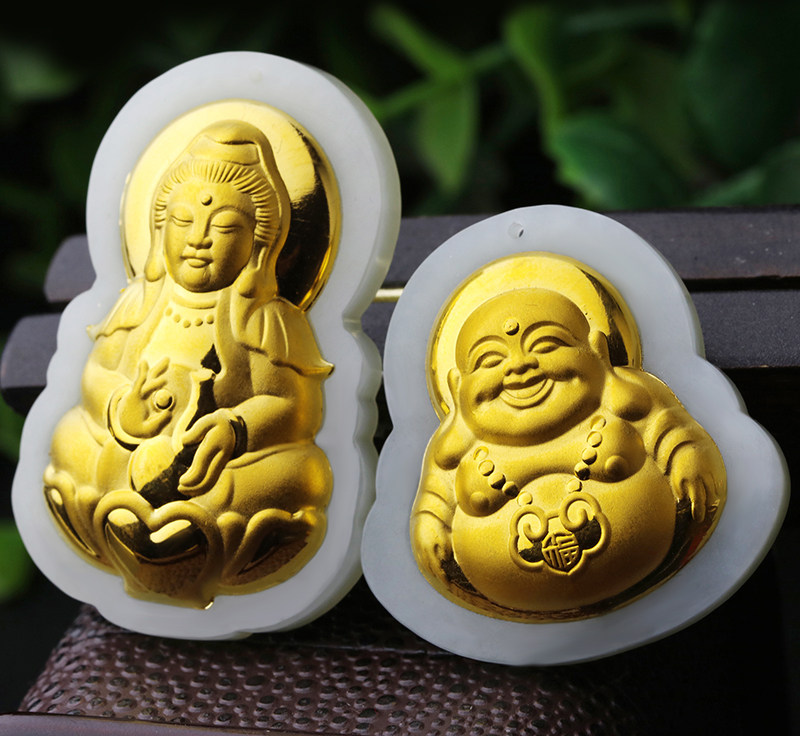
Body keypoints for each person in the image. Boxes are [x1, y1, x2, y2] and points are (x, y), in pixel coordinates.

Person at [44, 120, 333, 607]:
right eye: (182, 221)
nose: (199, 239)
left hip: (220, 474)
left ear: (260, 243)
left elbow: (293, 407)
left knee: (305, 472)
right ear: (158, 230)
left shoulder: (265, 318)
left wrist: (233, 429)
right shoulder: (139, 302)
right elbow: (98, 373)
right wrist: (121, 409)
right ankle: (152, 534)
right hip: (125, 458)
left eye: (225, 227)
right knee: (71, 435)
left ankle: (172, 538)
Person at [411, 269, 726, 620]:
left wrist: (687, 459)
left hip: (675, 592)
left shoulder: (629, 402)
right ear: (458, 387)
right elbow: (435, 499)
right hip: (512, 625)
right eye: (490, 360)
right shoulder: (456, 448)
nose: (520, 365)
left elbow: (673, 434)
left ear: (597, 352)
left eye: (546, 345)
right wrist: (430, 525)